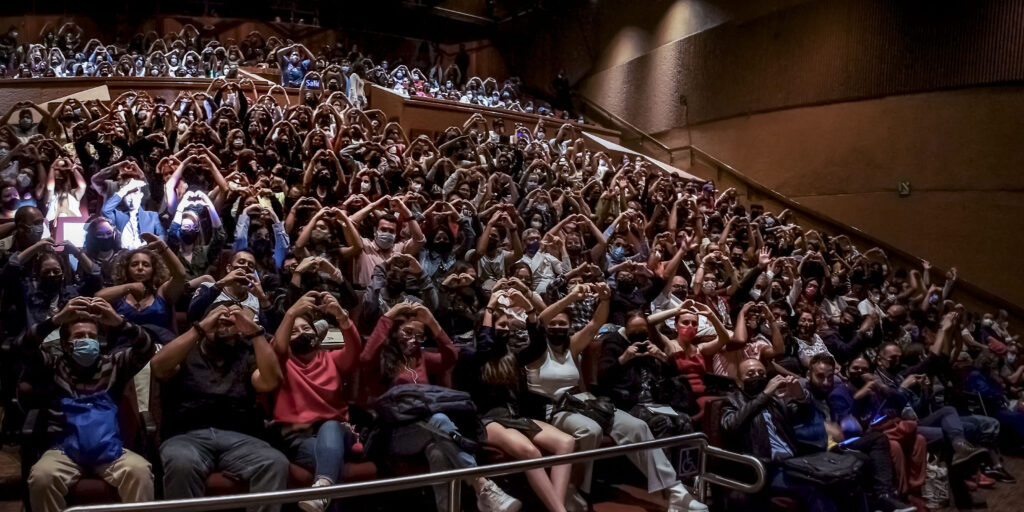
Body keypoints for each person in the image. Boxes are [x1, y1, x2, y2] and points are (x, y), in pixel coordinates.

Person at [151, 301, 287, 512]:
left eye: (232, 322)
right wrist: (201, 327)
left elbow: (270, 381)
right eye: (218, 319)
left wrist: (255, 332)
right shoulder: (186, 350)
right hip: (187, 436)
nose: (224, 323)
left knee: (274, 462)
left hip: (240, 438)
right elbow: (158, 366)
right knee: (181, 464)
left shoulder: (246, 352)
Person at [25, 298, 156, 512]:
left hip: (109, 450)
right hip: (64, 451)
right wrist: (56, 320)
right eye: (79, 336)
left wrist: (120, 323)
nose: (87, 341)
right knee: (41, 477)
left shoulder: (114, 364)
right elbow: (24, 347)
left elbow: (147, 348)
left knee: (139, 471)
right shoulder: (53, 365)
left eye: (92, 336)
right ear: (66, 344)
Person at [272, 291, 362, 512]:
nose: (301, 334)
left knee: (331, 428)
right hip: (300, 438)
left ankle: (320, 492)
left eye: (306, 328)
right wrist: (292, 312)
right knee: (331, 462)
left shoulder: (331, 359)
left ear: (316, 333)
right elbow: (277, 348)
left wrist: (341, 316)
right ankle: (323, 488)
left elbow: (354, 349)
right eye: (293, 331)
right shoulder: (282, 363)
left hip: (339, 431)